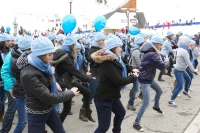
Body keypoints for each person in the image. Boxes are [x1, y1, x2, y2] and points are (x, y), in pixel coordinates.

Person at [19, 36, 79, 133]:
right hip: (36, 113)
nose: (52, 57)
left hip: (49, 108)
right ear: (40, 55)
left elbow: (48, 79)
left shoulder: (43, 64)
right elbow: (48, 97)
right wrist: (70, 93)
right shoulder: (29, 74)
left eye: (52, 54)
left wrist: (55, 83)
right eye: (49, 54)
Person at [91, 35, 138, 133]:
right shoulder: (107, 62)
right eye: (119, 47)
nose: (121, 49)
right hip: (103, 98)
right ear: (113, 48)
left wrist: (131, 68)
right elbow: (119, 81)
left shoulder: (115, 58)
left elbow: (121, 66)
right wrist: (133, 77)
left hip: (111, 95)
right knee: (103, 127)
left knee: (120, 113)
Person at [51, 35, 95, 123]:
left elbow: (75, 70)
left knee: (87, 93)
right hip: (65, 83)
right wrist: (88, 78)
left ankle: (86, 112)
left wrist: (85, 74)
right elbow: (74, 71)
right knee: (67, 109)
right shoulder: (66, 57)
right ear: (71, 45)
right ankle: (58, 128)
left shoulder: (64, 53)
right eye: (74, 44)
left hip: (70, 81)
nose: (76, 46)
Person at [133, 35, 169, 132]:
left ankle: (156, 106)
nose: (161, 46)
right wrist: (167, 61)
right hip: (145, 80)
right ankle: (136, 123)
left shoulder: (151, 51)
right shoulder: (152, 54)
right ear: (156, 44)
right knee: (146, 102)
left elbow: (159, 58)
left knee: (160, 91)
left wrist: (162, 58)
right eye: (160, 45)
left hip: (149, 77)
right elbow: (162, 66)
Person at [11, 35, 32, 133]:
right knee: (22, 121)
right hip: (21, 92)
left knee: (27, 119)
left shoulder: (20, 56)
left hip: (24, 91)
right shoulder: (19, 59)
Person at [169, 36, 198, 107]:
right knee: (180, 86)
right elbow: (188, 62)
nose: (189, 43)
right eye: (188, 42)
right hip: (178, 70)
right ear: (184, 42)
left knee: (188, 79)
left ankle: (185, 91)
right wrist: (194, 70)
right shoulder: (184, 51)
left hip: (182, 69)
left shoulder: (182, 49)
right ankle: (171, 100)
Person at [127, 36, 145, 111]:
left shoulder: (137, 50)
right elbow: (139, 63)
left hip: (136, 70)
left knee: (140, 85)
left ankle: (140, 95)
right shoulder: (137, 51)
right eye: (143, 42)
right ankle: (130, 103)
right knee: (136, 87)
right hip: (135, 71)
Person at [0, 33, 12, 123]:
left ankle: (1, 116)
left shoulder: (9, 51)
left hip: (5, 80)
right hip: (0, 79)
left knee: (3, 100)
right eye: (7, 41)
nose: (10, 43)